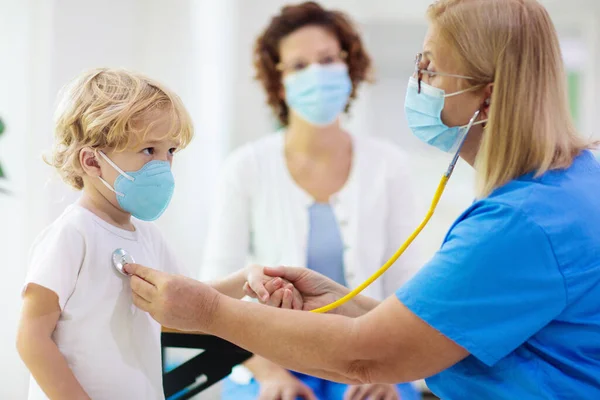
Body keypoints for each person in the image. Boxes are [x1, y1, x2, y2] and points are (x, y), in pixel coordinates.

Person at [125, 0, 600, 398]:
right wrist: (340, 302)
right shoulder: (571, 184)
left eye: (430, 69)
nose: (420, 83)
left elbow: (366, 354)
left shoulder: (517, 224)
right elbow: (435, 322)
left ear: (487, 100)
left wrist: (208, 312)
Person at [15, 68, 284, 400]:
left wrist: (246, 279)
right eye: (149, 151)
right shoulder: (72, 235)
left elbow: (193, 303)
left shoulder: (148, 237)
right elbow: (31, 337)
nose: (164, 165)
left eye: (170, 151)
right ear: (92, 161)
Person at [201, 2, 421, 399]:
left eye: (327, 60)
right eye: (300, 66)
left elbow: (407, 289)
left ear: (349, 66)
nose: (317, 74)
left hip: (374, 358)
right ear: (279, 81)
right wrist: (270, 375)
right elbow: (215, 295)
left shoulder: (389, 165)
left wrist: (384, 369)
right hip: (264, 358)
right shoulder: (246, 167)